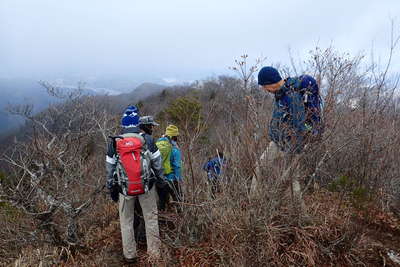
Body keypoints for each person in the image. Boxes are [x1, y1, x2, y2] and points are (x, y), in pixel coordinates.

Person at [250, 66, 323, 205]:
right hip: (279, 142)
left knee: (291, 180)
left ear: (271, 82)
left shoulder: (291, 96)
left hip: (292, 145)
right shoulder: (280, 94)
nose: (265, 89)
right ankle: (254, 205)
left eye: (265, 86)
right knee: (259, 168)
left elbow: (300, 124)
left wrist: (295, 147)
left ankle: (300, 215)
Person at [105, 106, 164, 263]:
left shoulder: (114, 142)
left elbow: (110, 169)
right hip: (147, 186)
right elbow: (158, 164)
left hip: (124, 189)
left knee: (126, 222)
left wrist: (111, 187)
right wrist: (160, 181)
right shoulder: (147, 139)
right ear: (137, 123)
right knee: (151, 218)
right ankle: (154, 254)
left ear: (123, 124)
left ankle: (130, 255)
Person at [156, 125, 182, 211]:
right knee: (178, 200)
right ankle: (180, 218)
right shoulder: (174, 149)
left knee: (162, 201)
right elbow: (177, 166)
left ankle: (162, 219)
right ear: (174, 137)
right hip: (171, 178)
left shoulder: (157, 144)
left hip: (159, 178)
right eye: (176, 136)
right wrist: (178, 180)